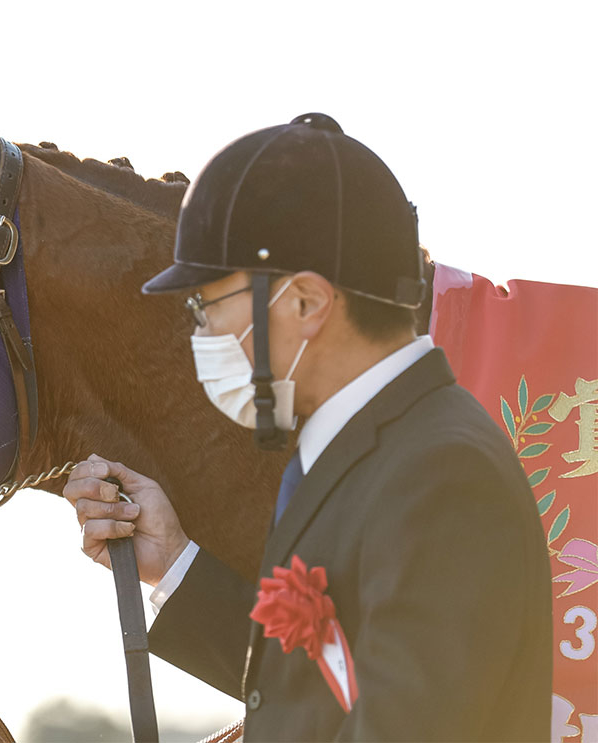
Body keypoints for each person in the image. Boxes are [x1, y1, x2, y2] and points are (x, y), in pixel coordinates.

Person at [65, 113, 551, 740]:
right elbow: (321, 695)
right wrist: (174, 562)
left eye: (210, 304)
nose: (202, 332)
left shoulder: (440, 474)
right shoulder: (368, 454)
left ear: (306, 303)